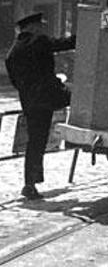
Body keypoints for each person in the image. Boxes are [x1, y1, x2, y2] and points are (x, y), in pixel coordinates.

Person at [4, 12, 76, 200]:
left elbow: (15, 81)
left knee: (35, 141)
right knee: (80, 97)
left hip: (30, 102)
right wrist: (85, 35)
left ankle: (30, 183)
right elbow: (63, 44)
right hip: (50, 97)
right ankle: (80, 135)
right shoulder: (39, 42)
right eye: (39, 25)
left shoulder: (12, 52)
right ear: (32, 27)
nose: (42, 28)